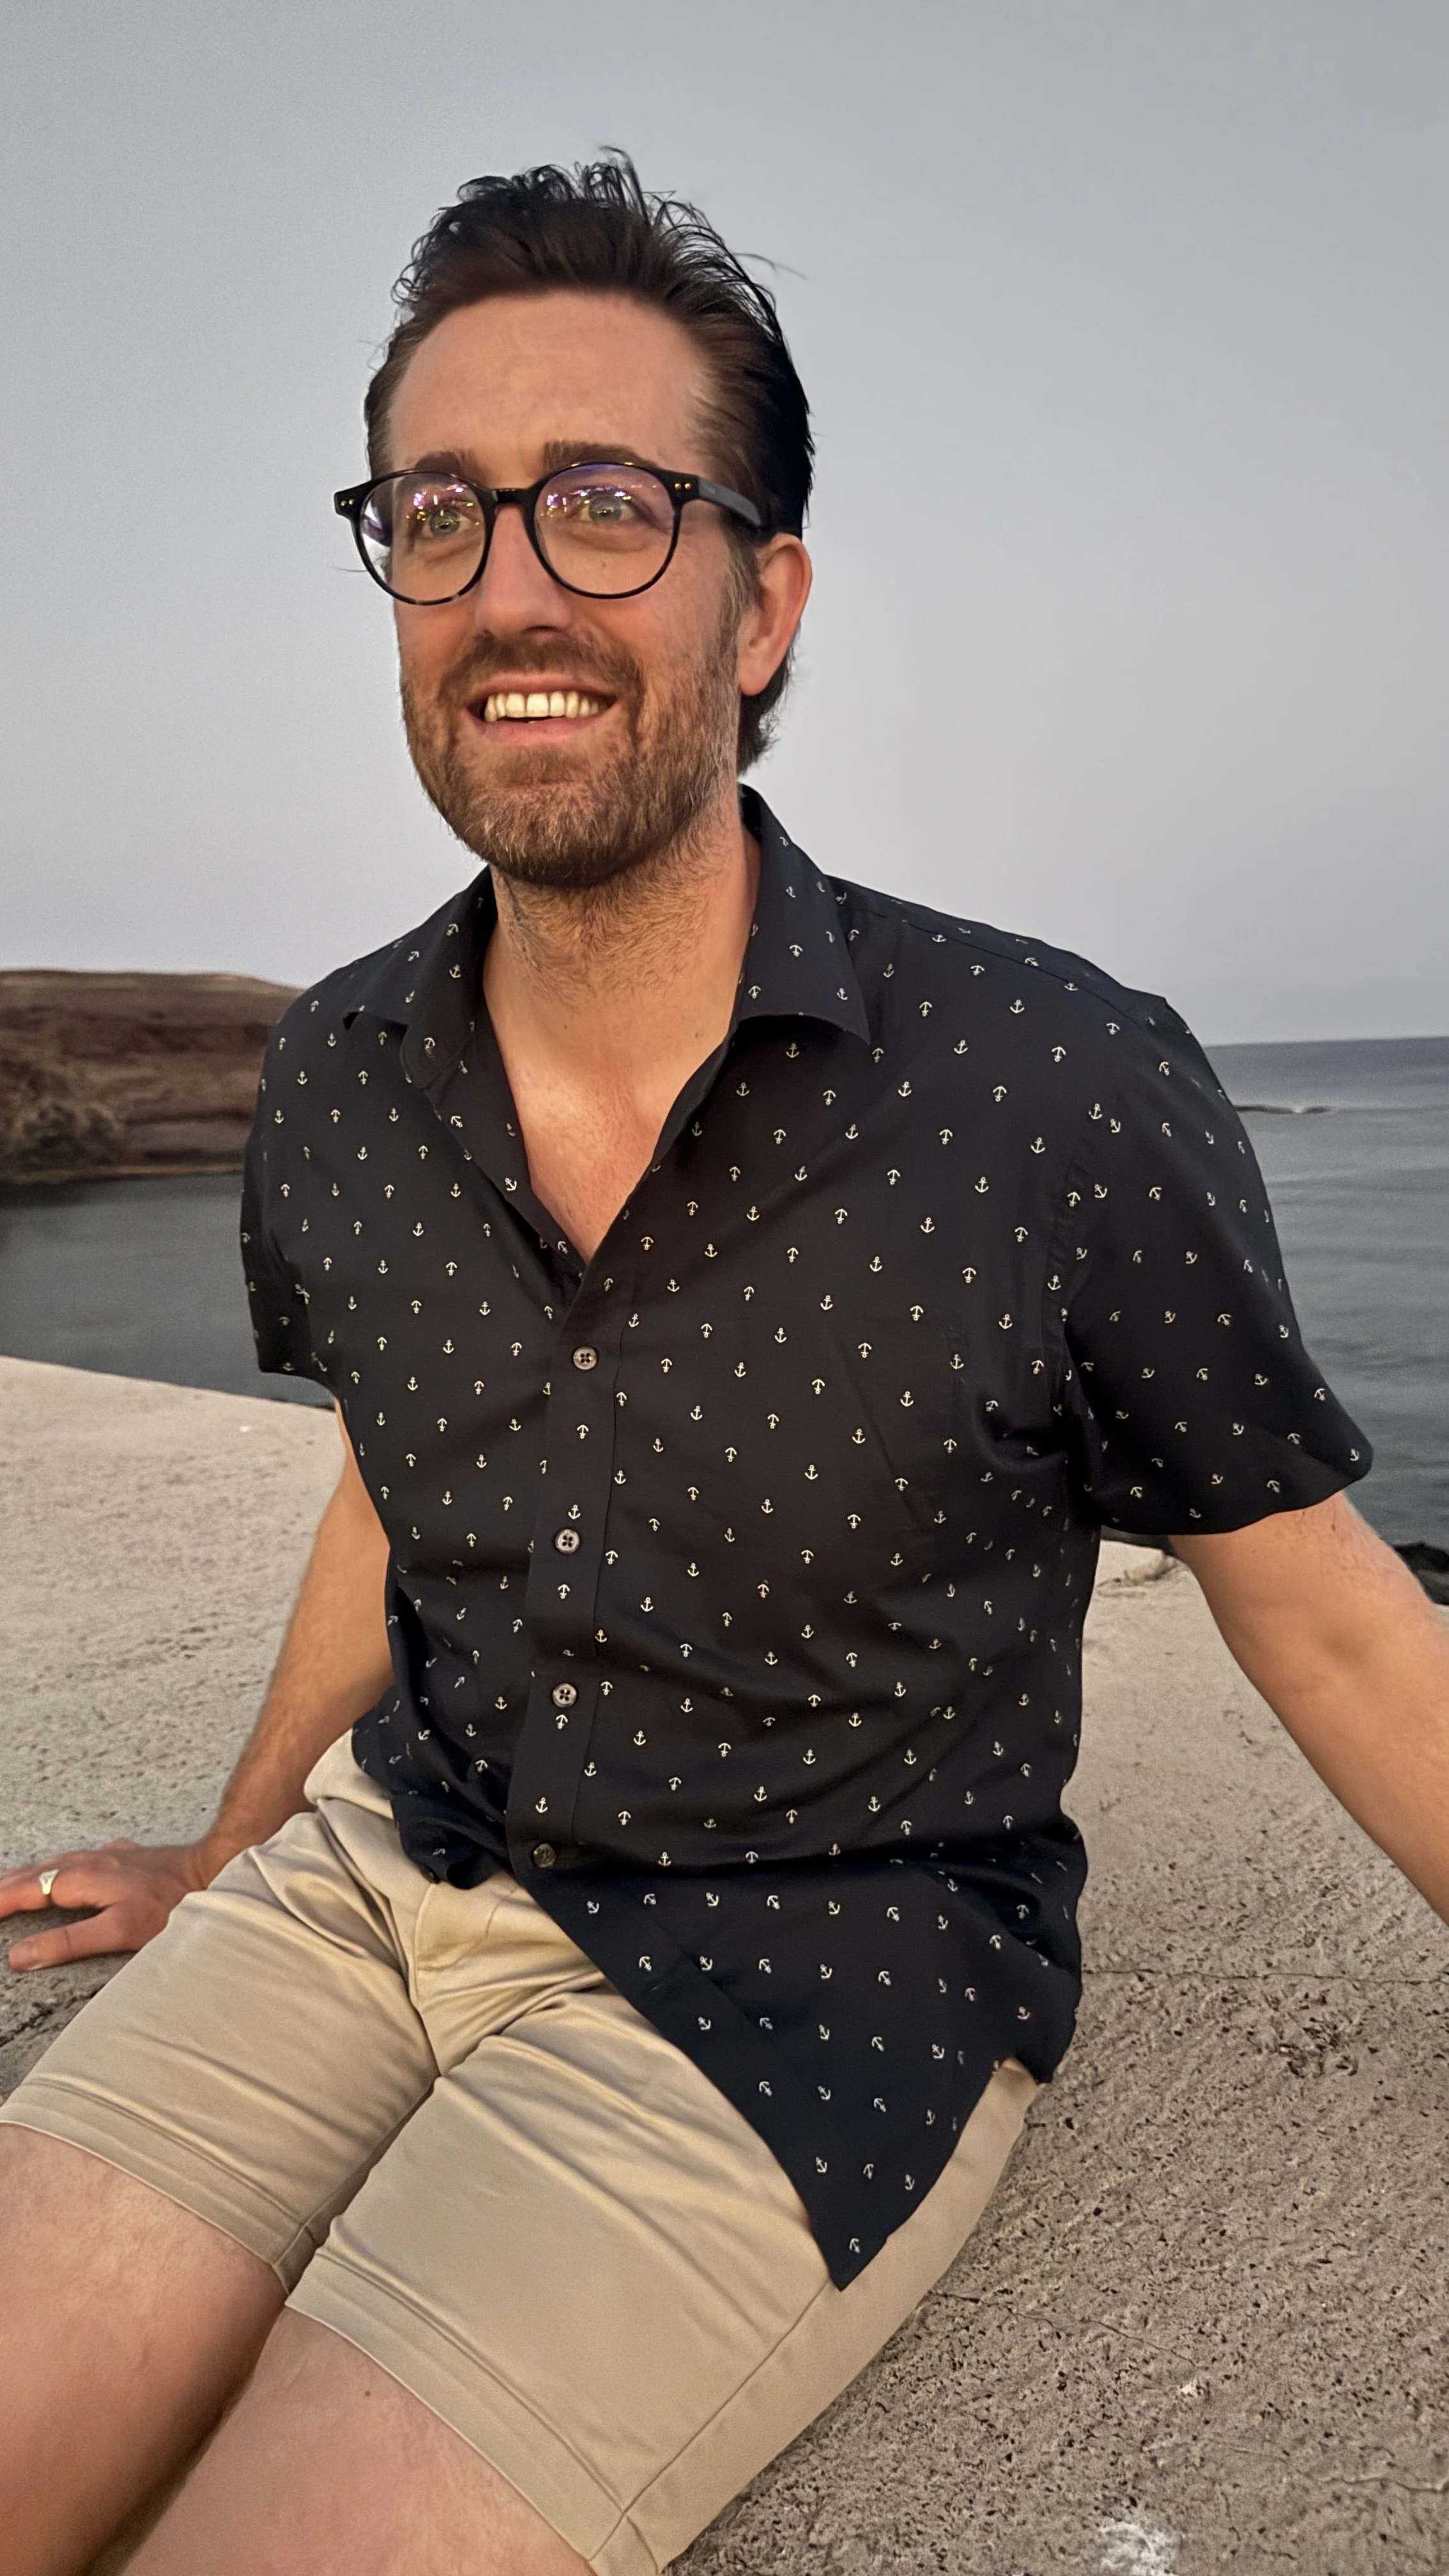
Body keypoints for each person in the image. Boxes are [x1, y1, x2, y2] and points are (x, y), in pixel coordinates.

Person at [1, 156, 1445, 2576]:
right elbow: (396, 1483)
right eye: (439, 516)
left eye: (606, 506)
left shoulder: (1054, 1085)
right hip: (379, 1871)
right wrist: (238, 1845)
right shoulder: (343, 1076)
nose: (511, 589)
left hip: (801, 1982)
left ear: (762, 603)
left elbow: (1319, 1610)